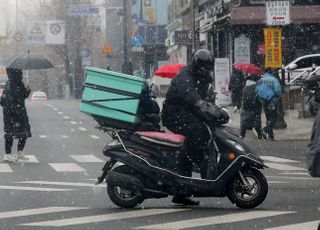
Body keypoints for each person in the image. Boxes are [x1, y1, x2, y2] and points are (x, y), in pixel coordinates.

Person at [161, 49, 229, 205]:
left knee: (208, 133)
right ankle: (195, 163)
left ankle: (195, 167)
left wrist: (215, 109)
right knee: (198, 133)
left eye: (209, 69)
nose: (207, 72)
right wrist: (205, 107)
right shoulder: (185, 77)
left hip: (189, 113)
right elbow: (192, 98)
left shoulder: (203, 77)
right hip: (174, 114)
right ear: (197, 65)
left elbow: (207, 96)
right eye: (205, 69)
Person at [1, 68, 31, 161]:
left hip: (18, 112)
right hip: (12, 113)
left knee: (23, 133)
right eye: (20, 73)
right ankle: (8, 154)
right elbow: (8, 100)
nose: (21, 74)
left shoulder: (18, 83)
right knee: (10, 133)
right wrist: (16, 110)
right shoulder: (11, 84)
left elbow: (23, 96)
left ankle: (19, 153)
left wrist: (28, 91)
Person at [256, 68, 282, 141]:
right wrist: (277, 97)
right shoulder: (273, 79)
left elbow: (257, 91)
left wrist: (262, 100)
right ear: (271, 72)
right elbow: (278, 90)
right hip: (272, 100)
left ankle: (271, 136)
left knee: (268, 118)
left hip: (264, 101)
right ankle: (266, 130)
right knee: (274, 117)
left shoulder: (261, 80)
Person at [239, 75, 263, 139]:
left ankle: (242, 134)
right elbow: (259, 97)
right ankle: (260, 134)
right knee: (257, 121)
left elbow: (243, 98)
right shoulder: (256, 87)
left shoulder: (245, 87)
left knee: (244, 120)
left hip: (246, 107)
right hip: (255, 107)